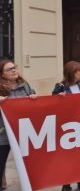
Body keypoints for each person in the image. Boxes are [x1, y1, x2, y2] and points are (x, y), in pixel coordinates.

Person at [52, 61, 80, 191]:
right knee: (68, 158)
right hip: (68, 128)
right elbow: (52, 106)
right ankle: (66, 185)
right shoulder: (60, 87)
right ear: (72, 72)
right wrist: (58, 98)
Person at [0, 60, 36, 190]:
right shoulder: (0, 87)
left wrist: (33, 97)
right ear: (2, 75)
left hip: (23, 131)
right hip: (4, 131)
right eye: (9, 69)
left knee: (28, 161)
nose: (14, 70)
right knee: (1, 161)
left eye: (14, 67)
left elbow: (32, 98)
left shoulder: (24, 85)